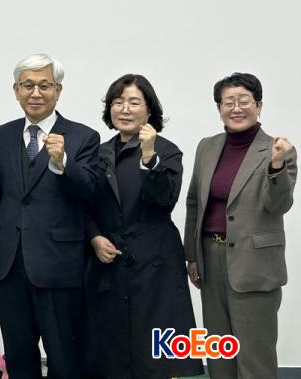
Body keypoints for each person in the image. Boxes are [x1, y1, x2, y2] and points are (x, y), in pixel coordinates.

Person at [0, 54, 99, 379]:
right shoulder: (4, 133)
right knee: (18, 357)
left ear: (58, 90)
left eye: (44, 85)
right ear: (16, 90)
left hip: (58, 264)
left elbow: (89, 191)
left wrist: (62, 162)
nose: (35, 93)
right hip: (8, 264)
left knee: (64, 358)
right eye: (28, 85)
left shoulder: (83, 136)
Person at [84, 74, 202, 379]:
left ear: (149, 110)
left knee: (154, 355)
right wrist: (94, 236)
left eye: (134, 102)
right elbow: (85, 205)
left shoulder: (167, 150)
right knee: (111, 352)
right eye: (118, 102)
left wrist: (149, 157)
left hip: (155, 264)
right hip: (109, 263)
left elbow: (164, 200)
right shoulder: (99, 152)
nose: (125, 109)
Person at [184, 72, 296, 379]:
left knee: (254, 357)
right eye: (228, 102)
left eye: (244, 101)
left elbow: (279, 205)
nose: (236, 108)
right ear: (219, 108)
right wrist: (192, 255)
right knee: (220, 353)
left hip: (254, 264)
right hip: (210, 259)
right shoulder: (207, 147)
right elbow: (195, 203)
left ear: (258, 105)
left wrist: (276, 165)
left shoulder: (278, 149)